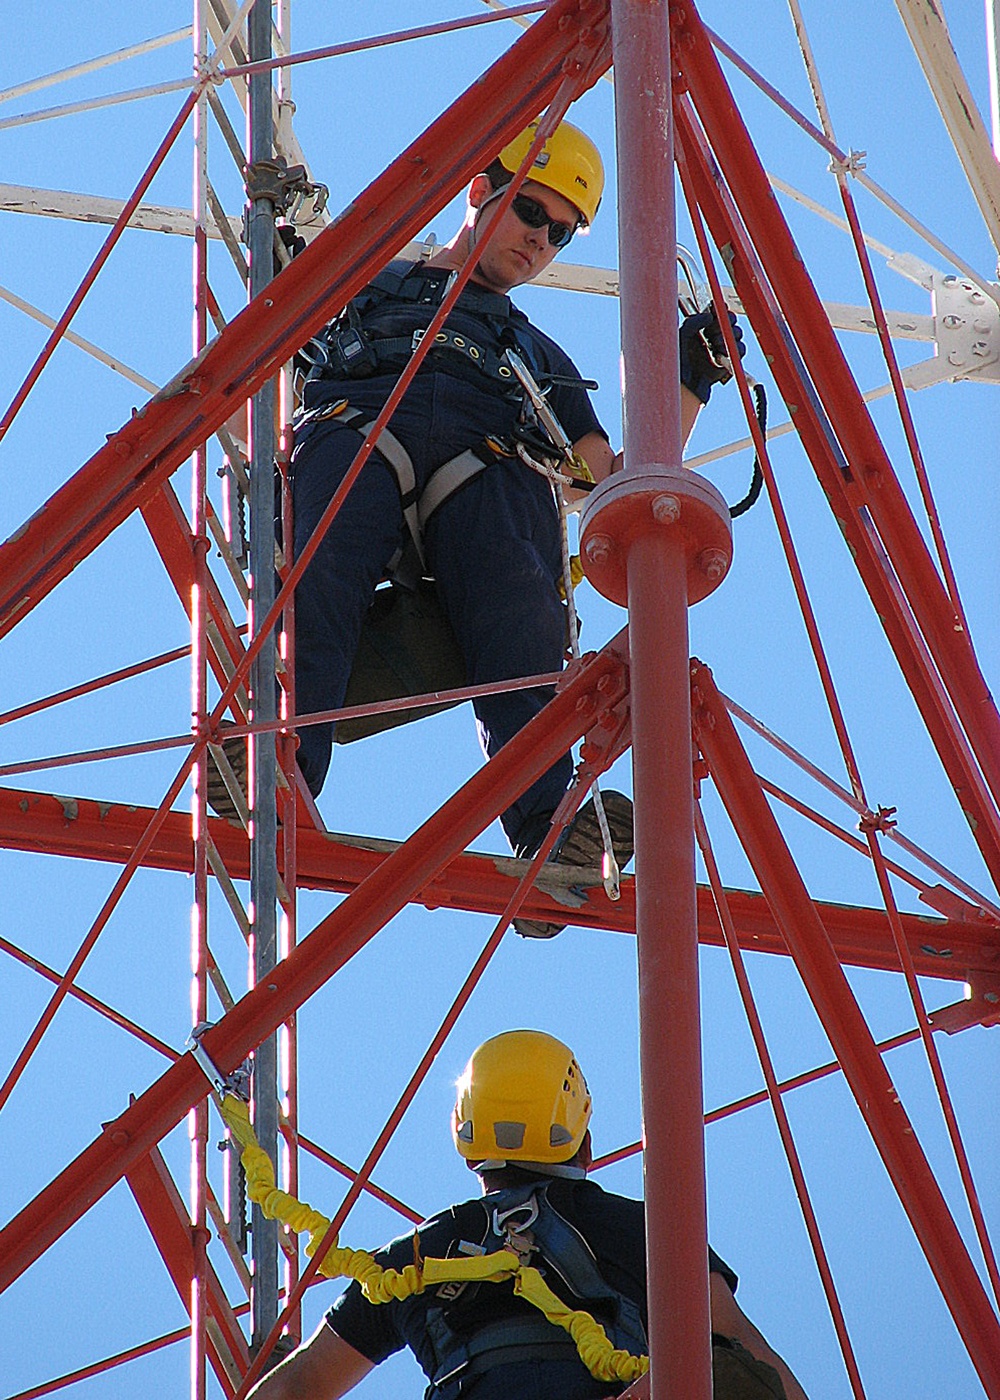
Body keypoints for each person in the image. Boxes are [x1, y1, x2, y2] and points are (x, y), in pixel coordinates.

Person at [289, 119, 737, 926]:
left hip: (486, 463)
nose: (542, 241)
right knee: (319, 569)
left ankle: (550, 828)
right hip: (359, 425)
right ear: (479, 191)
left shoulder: (540, 355)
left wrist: (694, 379)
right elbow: (278, 345)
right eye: (533, 213)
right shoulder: (362, 283)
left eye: (562, 235)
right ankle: (274, 768)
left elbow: (606, 479)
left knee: (520, 609)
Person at [247, 1030, 809, 1400]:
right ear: (583, 1145)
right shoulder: (643, 1228)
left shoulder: (417, 1258)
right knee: (732, 1374)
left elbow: (301, 1384)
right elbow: (737, 1343)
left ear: (466, 1146)